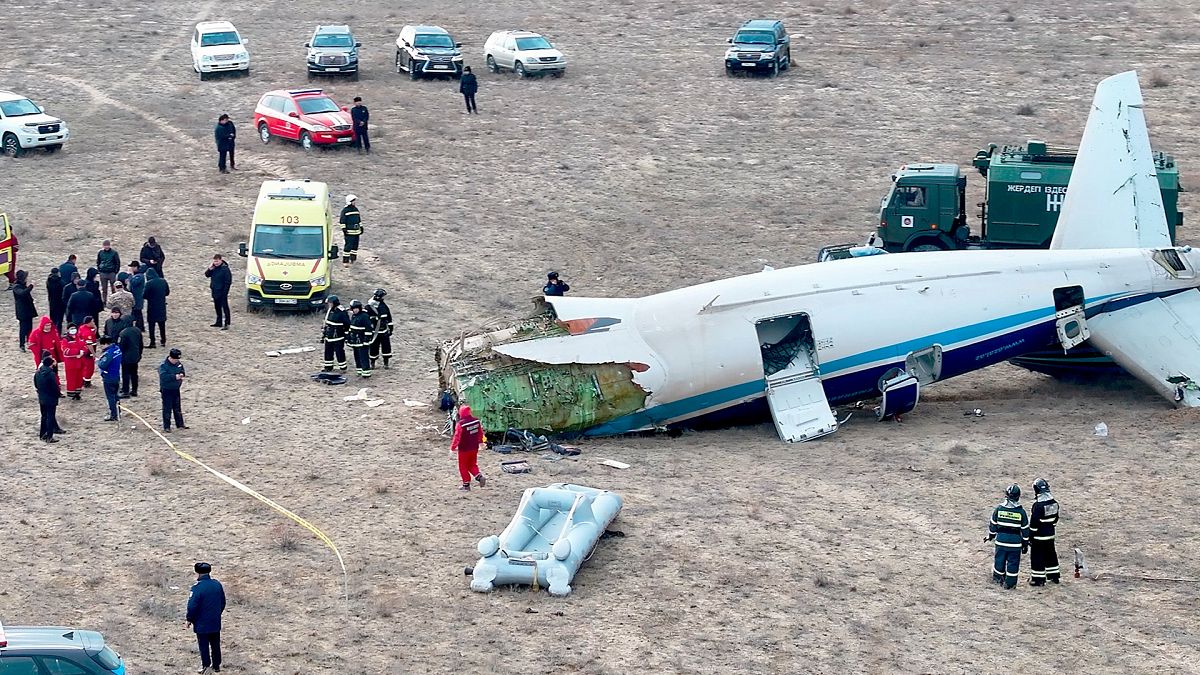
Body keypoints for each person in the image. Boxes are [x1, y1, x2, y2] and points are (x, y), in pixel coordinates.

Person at [986, 483, 1030, 590]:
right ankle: (1010, 584)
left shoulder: (999, 509)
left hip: (1001, 541)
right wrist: (1025, 544)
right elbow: (1025, 530)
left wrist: (991, 536)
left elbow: (993, 525)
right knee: (1013, 564)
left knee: (999, 561)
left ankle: (997, 579)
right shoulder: (1021, 512)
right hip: (1015, 544)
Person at [186, 561, 226, 674]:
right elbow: (222, 602)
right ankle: (216, 666)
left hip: (202, 622)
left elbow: (192, 605)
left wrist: (189, 619)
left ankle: (206, 666)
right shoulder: (217, 584)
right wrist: (217, 613)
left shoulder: (197, 588)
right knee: (215, 644)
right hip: (215, 620)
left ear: (197, 573)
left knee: (203, 644)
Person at [1028, 478, 1061, 586]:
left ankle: (1038, 579)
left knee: (1037, 557)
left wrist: (1030, 536)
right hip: (1050, 535)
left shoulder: (1037, 506)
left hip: (1039, 537)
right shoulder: (1055, 503)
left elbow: (1034, 524)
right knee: (1051, 554)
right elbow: (1056, 519)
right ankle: (1054, 576)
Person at [450, 405, 487, 491]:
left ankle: (466, 485)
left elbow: (457, 437)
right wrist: (481, 442)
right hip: (474, 447)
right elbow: (480, 433)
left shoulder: (461, 424)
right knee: (472, 464)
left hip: (464, 449)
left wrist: (453, 448)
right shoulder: (476, 421)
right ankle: (479, 477)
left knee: (463, 466)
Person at [158, 347, 188, 432]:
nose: (176, 361)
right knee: (167, 408)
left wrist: (182, 374)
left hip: (176, 389)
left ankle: (180, 424)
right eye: (175, 359)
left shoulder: (178, 363)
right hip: (166, 389)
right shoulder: (164, 365)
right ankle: (167, 426)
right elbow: (163, 377)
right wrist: (175, 377)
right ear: (170, 358)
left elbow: (182, 369)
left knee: (177, 407)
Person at [34, 355, 62, 443]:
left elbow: (35, 384)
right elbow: (55, 387)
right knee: (50, 417)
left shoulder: (38, 373)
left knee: (44, 416)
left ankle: (42, 434)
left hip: (42, 397)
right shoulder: (51, 374)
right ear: (50, 365)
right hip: (50, 398)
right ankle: (49, 437)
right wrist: (57, 395)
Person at [96, 335, 122, 422]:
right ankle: (118, 412)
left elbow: (102, 365)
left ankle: (113, 415)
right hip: (116, 375)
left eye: (102, 345)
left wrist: (99, 360)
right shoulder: (117, 349)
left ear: (106, 344)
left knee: (110, 397)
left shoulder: (109, 353)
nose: (101, 347)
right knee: (116, 395)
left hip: (109, 377)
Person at [320, 295, 349, 372]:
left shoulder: (341, 312)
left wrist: (346, 336)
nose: (329, 305)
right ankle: (328, 367)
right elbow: (326, 321)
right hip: (329, 335)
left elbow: (347, 324)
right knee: (328, 352)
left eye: (330, 303)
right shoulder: (330, 310)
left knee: (339, 352)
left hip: (338, 336)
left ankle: (343, 367)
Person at [346, 299, 375, 378]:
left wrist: (366, 340)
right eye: (353, 309)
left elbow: (369, 329)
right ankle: (359, 370)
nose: (354, 310)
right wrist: (348, 337)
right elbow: (351, 327)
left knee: (363, 357)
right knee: (357, 356)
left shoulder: (364, 316)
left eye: (356, 308)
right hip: (355, 340)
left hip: (362, 341)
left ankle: (366, 373)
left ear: (359, 308)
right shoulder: (354, 316)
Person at [143, 267, 170, 348]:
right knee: (162, 325)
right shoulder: (163, 281)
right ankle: (163, 340)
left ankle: (153, 342)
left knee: (151, 325)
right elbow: (167, 292)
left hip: (152, 307)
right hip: (161, 306)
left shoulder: (149, 283)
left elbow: (144, 295)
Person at [204, 254, 232, 329]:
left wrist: (225, 292)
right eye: (214, 261)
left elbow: (228, 282)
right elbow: (207, 275)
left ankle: (227, 323)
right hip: (215, 290)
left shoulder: (225, 269)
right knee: (217, 307)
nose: (215, 263)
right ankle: (218, 322)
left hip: (222, 292)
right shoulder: (214, 268)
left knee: (225, 307)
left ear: (221, 260)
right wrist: (209, 269)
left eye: (217, 261)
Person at [368, 288, 393, 370]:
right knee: (373, 347)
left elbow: (389, 318)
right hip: (374, 332)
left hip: (384, 331)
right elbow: (366, 319)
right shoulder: (369, 306)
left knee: (386, 347)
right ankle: (372, 363)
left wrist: (390, 328)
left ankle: (386, 363)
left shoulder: (384, 306)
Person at [118, 321, 144, 398]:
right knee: (134, 374)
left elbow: (122, 346)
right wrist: (139, 354)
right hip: (135, 356)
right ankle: (134, 390)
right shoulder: (137, 330)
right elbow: (141, 344)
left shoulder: (123, 333)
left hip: (126, 357)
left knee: (125, 374)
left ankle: (126, 391)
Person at [12, 270, 36, 351]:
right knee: (23, 328)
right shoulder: (16, 287)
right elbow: (22, 293)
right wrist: (31, 286)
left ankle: (30, 342)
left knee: (30, 327)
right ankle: (22, 344)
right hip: (22, 311)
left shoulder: (22, 285)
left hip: (28, 309)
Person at [61, 326, 86, 400]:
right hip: (71, 363)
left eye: (74, 328)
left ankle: (78, 393)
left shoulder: (79, 338)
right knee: (71, 379)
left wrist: (82, 352)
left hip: (80, 362)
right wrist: (78, 352)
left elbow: (85, 346)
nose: (73, 330)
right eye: (71, 329)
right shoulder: (65, 340)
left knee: (79, 378)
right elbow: (66, 351)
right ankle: (71, 393)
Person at [339, 195, 362, 266]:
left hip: (356, 232)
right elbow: (342, 221)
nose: (354, 202)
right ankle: (345, 261)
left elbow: (358, 219)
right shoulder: (345, 210)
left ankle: (353, 259)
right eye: (353, 201)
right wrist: (344, 229)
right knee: (348, 246)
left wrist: (361, 227)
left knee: (355, 246)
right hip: (349, 232)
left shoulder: (356, 209)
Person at [78, 316, 98, 388]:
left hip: (83, 349)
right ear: (89, 323)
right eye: (92, 321)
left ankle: (83, 379)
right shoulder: (87, 333)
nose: (94, 323)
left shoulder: (82, 327)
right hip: (88, 351)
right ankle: (87, 382)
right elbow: (89, 345)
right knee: (90, 367)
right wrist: (93, 354)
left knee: (84, 365)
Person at [127, 261, 146, 330]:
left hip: (138, 298)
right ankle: (139, 326)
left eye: (132, 267)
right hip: (135, 297)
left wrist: (130, 275)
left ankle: (140, 327)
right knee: (136, 312)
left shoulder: (140, 276)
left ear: (136, 267)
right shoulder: (137, 275)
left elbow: (134, 282)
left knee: (138, 313)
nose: (131, 268)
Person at [47, 267, 66, 333]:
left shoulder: (49, 282)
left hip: (52, 302)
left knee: (53, 320)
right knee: (59, 321)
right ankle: (58, 334)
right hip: (60, 303)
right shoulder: (61, 283)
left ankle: (52, 333)